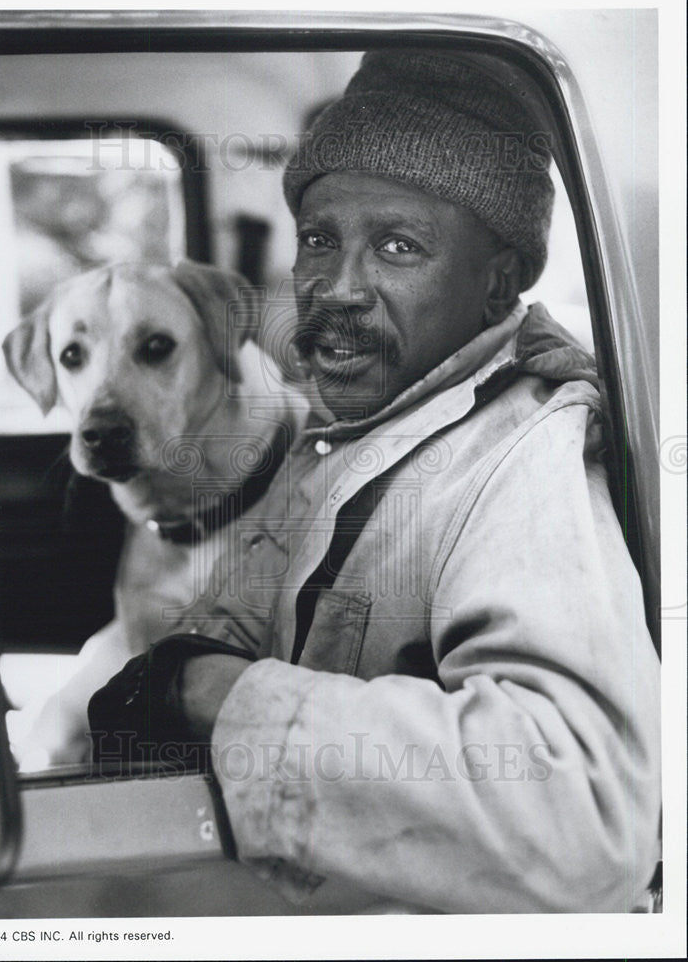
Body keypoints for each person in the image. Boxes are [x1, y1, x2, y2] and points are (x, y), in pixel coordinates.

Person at [89, 49, 661, 913]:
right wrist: (179, 664)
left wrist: (213, 692)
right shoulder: (350, 428)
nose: (337, 289)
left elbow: (581, 812)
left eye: (398, 247)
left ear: (497, 281)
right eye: (319, 239)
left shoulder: (520, 455)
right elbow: (243, 620)